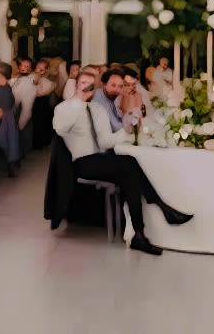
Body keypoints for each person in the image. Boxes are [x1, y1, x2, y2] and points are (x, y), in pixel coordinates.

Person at [53, 72, 193, 256]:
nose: (86, 86)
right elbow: (60, 128)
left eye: (90, 84)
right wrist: (79, 101)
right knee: (129, 163)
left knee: (130, 176)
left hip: (100, 158)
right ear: (76, 85)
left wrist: (126, 129)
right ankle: (161, 207)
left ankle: (139, 235)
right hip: (81, 162)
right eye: (83, 83)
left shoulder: (98, 110)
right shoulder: (64, 108)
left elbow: (104, 141)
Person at [93, 67, 126, 133]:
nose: (117, 90)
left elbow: (119, 117)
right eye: (113, 85)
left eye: (120, 86)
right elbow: (115, 127)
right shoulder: (99, 100)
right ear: (104, 84)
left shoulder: (109, 96)